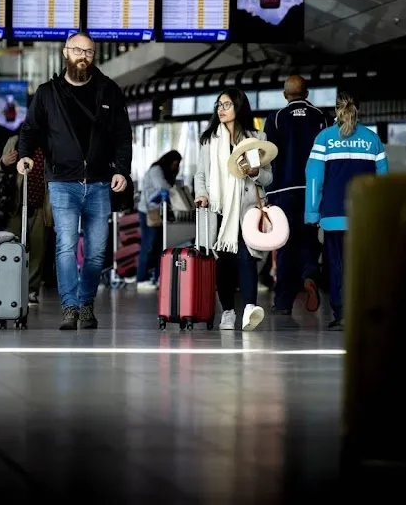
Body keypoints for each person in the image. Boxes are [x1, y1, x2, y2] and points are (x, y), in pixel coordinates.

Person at [16, 32, 132, 331]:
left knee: (95, 252)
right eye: (78, 50)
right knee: (66, 246)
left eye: (89, 52)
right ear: (66, 53)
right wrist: (25, 155)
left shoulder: (109, 91)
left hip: (99, 182)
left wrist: (121, 169)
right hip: (62, 182)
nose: (83, 56)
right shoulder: (47, 93)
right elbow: (29, 129)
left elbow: (122, 135)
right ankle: (70, 307)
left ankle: (86, 302)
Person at [306, 92, 389, 330]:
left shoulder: (324, 138)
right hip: (364, 215)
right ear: (358, 111)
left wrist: (312, 214)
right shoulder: (372, 139)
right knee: (362, 265)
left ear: (336, 111)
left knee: (337, 264)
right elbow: (382, 181)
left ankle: (341, 314)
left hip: (333, 215)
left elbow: (314, 179)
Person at [194, 88, 271, 331]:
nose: (221, 109)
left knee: (247, 258)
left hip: (246, 209)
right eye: (219, 105)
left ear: (239, 106)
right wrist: (202, 194)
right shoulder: (209, 139)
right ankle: (227, 311)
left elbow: (268, 178)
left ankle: (249, 308)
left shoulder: (255, 137)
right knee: (224, 261)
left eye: (226, 104)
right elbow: (200, 174)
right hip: (219, 210)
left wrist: (256, 172)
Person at [263, 75, 327, 315]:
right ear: (307, 93)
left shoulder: (276, 118)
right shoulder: (321, 117)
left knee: (285, 245)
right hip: (313, 189)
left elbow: (267, 157)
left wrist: (268, 194)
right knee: (309, 238)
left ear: (285, 94)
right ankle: (310, 273)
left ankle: (283, 303)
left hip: (284, 191)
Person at [0, 134, 51, 304]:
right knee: (12, 248)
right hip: (16, 204)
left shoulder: (51, 141)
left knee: (37, 248)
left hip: (41, 204)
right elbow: (0, 171)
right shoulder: (15, 141)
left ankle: (31, 290)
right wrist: (3, 162)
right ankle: (11, 288)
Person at [137, 150, 182, 290]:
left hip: (159, 212)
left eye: (177, 165)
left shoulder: (165, 172)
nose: (175, 167)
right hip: (148, 212)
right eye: (174, 163)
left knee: (158, 247)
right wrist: (176, 191)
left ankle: (157, 277)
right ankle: (141, 279)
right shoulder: (156, 169)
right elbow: (162, 187)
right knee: (148, 245)